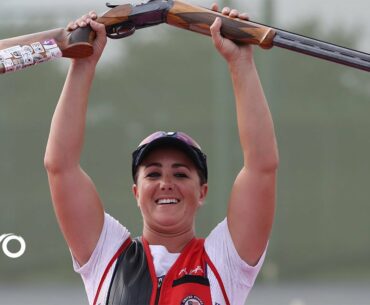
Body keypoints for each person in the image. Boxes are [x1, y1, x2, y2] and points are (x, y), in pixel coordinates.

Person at [44, 3, 279, 305]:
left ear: (202, 191)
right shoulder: (106, 255)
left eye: (180, 173)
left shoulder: (226, 262)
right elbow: (60, 166)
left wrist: (240, 63)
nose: (166, 182)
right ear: (136, 191)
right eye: (153, 173)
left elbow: (261, 166)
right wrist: (83, 64)